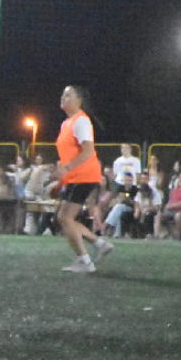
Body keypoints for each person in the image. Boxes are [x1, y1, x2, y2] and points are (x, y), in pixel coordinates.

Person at [52, 85, 110, 273]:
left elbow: (88, 151)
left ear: (79, 101)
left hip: (84, 175)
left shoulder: (81, 121)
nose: (63, 98)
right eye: (63, 94)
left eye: (68, 95)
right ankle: (99, 243)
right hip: (75, 176)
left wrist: (67, 168)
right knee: (65, 218)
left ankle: (85, 261)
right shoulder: (66, 123)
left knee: (64, 217)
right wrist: (62, 177)